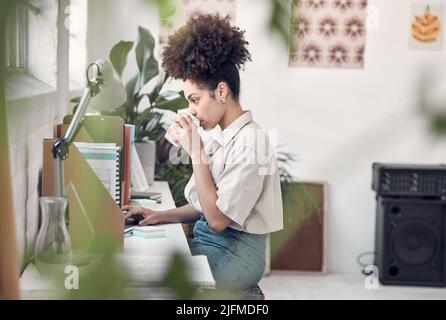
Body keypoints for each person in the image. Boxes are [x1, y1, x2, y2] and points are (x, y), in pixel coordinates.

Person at [122, 13, 283, 293]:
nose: (191, 110)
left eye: (194, 99)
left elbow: (218, 220)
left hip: (236, 255)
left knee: (148, 281)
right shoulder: (225, 138)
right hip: (212, 244)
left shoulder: (252, 142)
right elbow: (205, 206)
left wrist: (196, 151)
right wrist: (160, 215)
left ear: (221, 92)